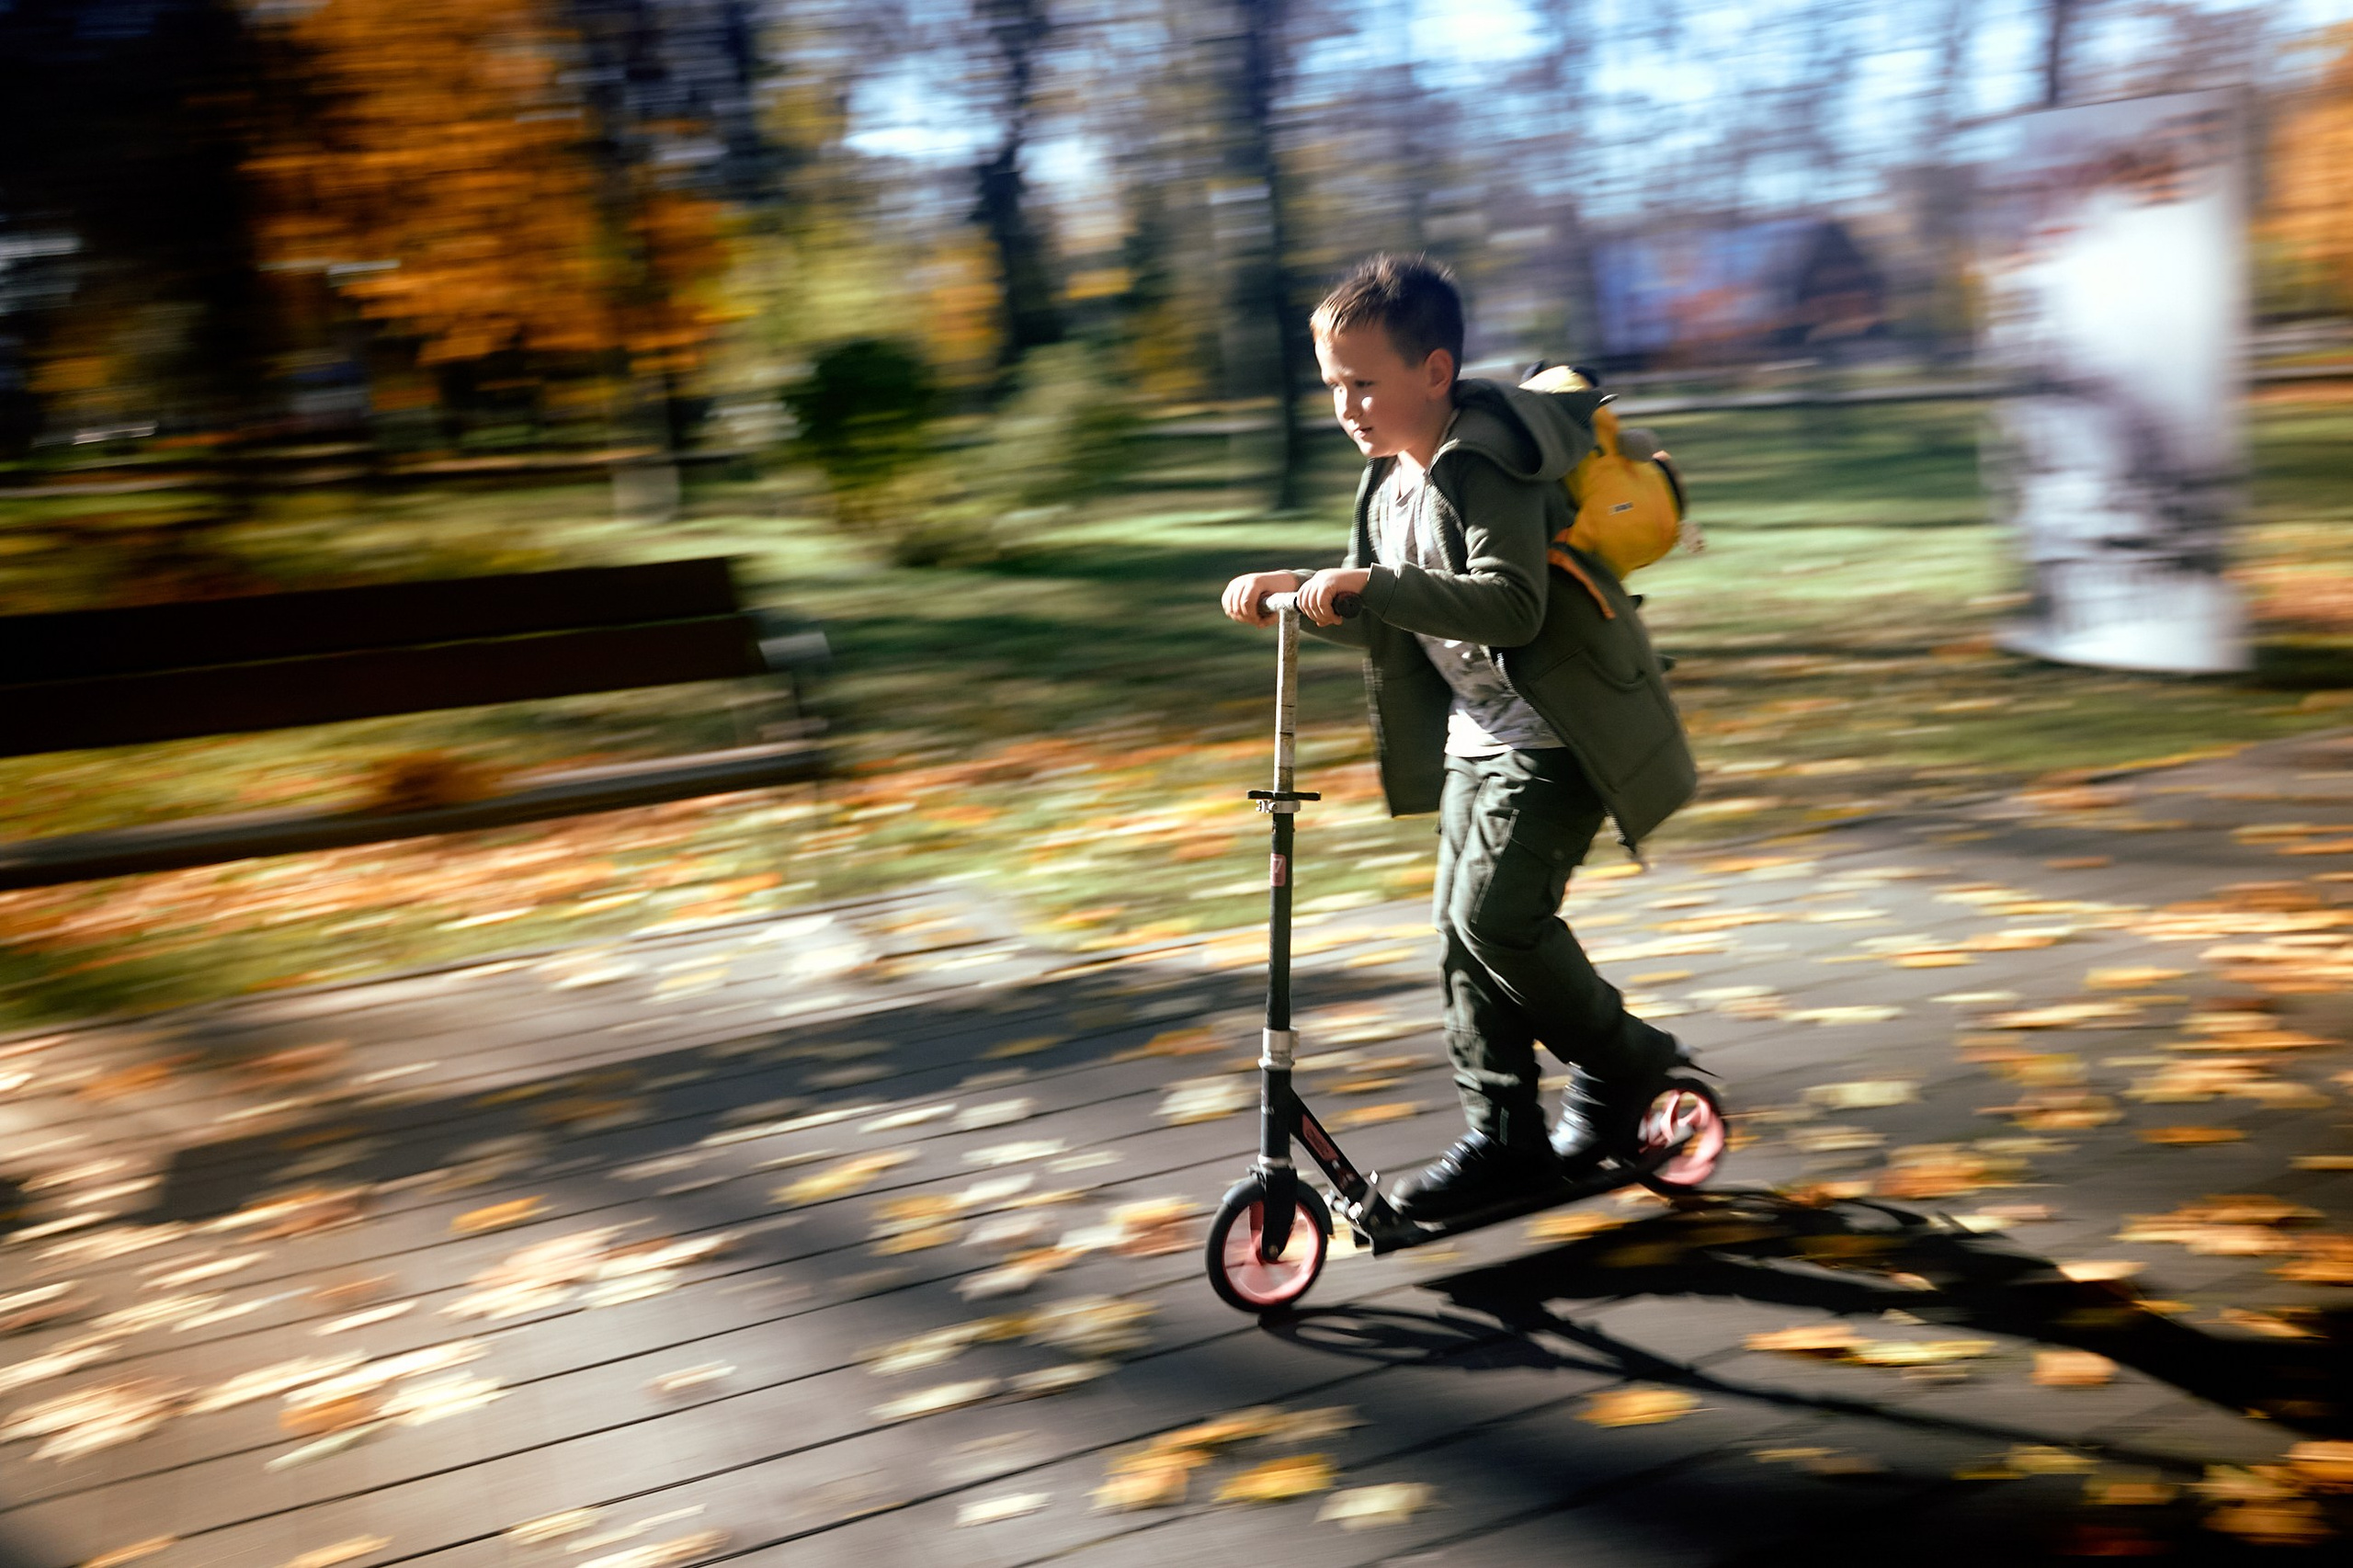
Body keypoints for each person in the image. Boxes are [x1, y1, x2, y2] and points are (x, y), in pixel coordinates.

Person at [1219, 254, 1699, 1222]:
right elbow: (1378, 601)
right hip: (1478, 739)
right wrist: (1292, 589)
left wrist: (1370, 586)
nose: (1346, 406)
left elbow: (1513, 606)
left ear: (1433, 372)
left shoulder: (1486, 461)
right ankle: (1503, 1136)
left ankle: (1625, 1064)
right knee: (1458, 938)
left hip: (1560, 738)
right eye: (1332, 385)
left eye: (1365, 382)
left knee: (1498, 921)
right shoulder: (1385, 485)